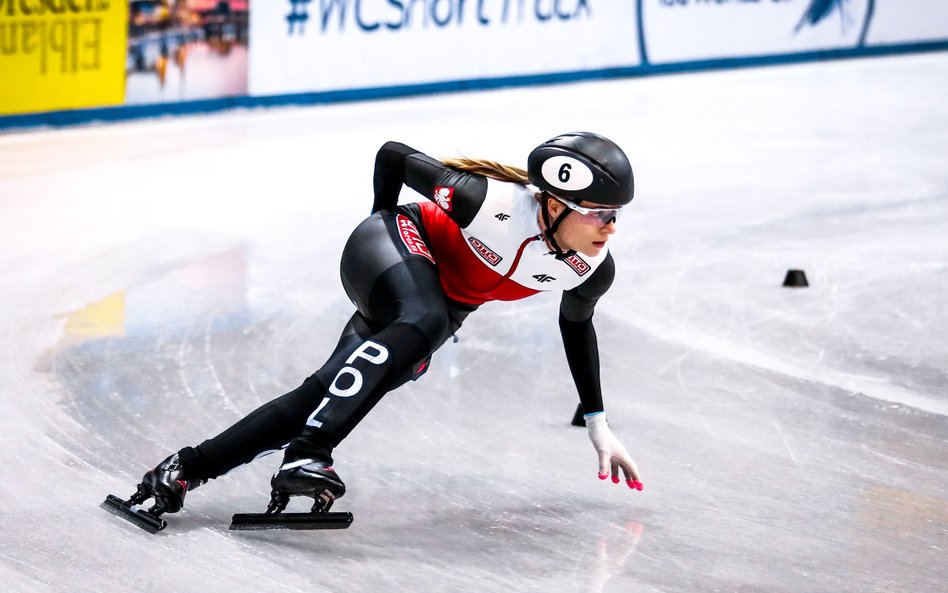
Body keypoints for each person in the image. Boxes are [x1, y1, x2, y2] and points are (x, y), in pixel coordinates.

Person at [134, 131, 644, 520]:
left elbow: (577, 328)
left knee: (329, 393)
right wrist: (380, 220)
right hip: (393, 245)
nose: (611, 227)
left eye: (616, 214)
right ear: (554, 205)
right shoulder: (485, 201)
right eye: (599, 213)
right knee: (420, 320)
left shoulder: (591, 266)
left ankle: (183, 470)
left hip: (439, 305)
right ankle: (308, 455)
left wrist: (598, 424)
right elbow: (394, 155)